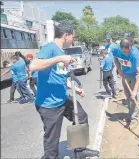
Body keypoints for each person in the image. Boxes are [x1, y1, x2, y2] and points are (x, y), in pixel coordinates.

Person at [29, 22, 99, 159]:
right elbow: (33, 66)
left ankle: (80, 150)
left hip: (62, 98)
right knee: (52, 139)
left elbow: (60, 77)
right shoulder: (49, 48)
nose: (73, 40)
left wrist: (76, 89)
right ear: (66, 35)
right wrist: (59, 58)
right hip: (49, 105)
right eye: (73, 37)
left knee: (81, 116)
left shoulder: (61, 52)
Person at [112, 39, 139, 123]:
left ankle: (133, 117)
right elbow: (115, 59)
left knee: (134, 96)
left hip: (134, 75)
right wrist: (119, 70)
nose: (127, 52)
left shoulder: (135, 54)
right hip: (125, 75)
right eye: (125, 51)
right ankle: (130, 112)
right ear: (121, 48)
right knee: (128, 96)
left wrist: (135, 90)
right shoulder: (116, 50)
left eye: (129, 50)